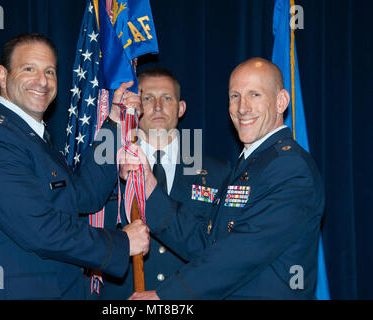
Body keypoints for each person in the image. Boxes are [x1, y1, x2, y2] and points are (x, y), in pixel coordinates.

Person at [0, 33, 150, 300]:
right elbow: (40, 229)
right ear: (2, 75)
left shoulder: (29, 138)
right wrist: (121, 243)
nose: (43, 81)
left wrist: (114, 121)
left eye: (50, 71)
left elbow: (85, 195)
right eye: (29, 69)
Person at [123, 57, 325, 299]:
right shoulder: (253, 163)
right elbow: (207, 242)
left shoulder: (289, 167)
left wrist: (165, 297)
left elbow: (242, 251)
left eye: (255, 95)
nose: (242, 108)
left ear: (281, 101)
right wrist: (150, 190)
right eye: (235, 96)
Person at [90, 67, 231, 299]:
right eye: (147, 98)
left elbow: (220, 250)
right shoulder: (107, 167)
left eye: (166, 98)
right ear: (135, 105)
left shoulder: (217, 172)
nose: (157, 106)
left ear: (181, 107)